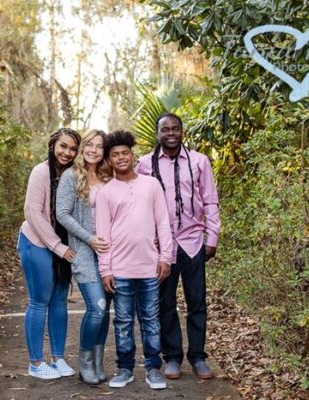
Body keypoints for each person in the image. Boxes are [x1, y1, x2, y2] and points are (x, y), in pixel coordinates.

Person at [136, 113, 220, 380]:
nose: (170, 133)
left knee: (197, 302)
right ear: (157, 133)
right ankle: (172, 357)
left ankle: (197, 357)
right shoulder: (144, 164)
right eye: (165, 129)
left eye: (175, 128)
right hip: (161, 246)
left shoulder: (199, 161)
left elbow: (210, 201)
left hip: (193, 241)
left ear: (182, 131)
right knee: (165, 303)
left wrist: (212, 237)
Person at [95, 130, 173, 390]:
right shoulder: (106, 192)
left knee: (151, 319)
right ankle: (125, 368)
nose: (120, 158)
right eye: (115, 154)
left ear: (132, 155)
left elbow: (163, 223)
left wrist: (166, 257)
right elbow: (102, 234)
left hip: (149, 267)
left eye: (124, 153)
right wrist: (105, 269)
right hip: (120, 269)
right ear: (109, 159)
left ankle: (153, 368)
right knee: (123, 321)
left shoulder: (151, 185)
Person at [16, 127, 82, 380]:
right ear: (53, 144)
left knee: (59, 302)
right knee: (39, 301)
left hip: (62, 247)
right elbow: (32, 212)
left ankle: (58, 358)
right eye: (63, 146)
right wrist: (58, 247)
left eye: (73, 148)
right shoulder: (41, 171)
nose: (67, 152)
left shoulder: (72, 174)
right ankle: (35, 363)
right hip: (37, 244)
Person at [55, 129, 112, 384]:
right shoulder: (70, 176)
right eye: (89, 144)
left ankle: (98, 361)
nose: (93, 150)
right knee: (97, 307)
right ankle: (85, 360)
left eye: (99, 146)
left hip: (110, 253)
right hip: (84, 252)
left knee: (106, 310)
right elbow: (62, 214)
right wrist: (89, 239)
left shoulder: (107, 176)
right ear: (82, 148)